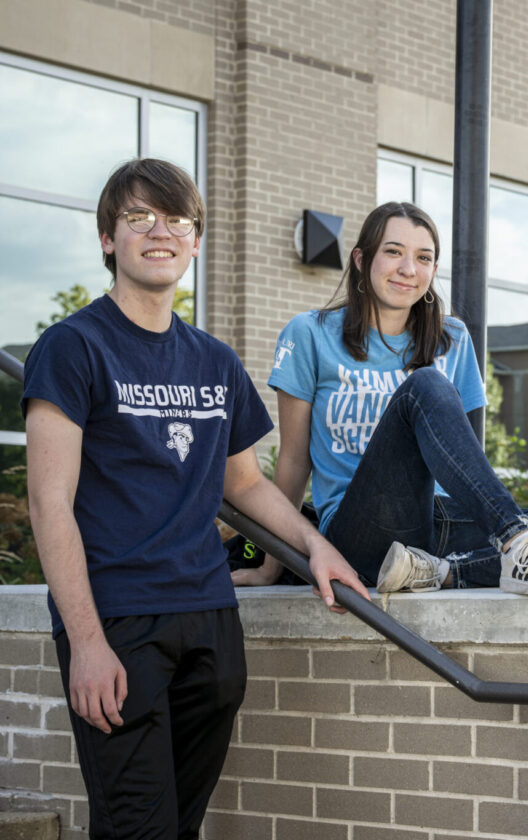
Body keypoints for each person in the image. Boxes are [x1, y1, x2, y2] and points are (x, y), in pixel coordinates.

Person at [22, 158, 371, 839]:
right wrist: (87, 643)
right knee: (137, 829)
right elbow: (49, 503)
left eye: (178, 219)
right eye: (138, 218)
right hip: (120, 623)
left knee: (178, 828)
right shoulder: (72, 348)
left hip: (210, 620)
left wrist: (314, 547)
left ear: (197, 241)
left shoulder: (213, 360)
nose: (161, 232)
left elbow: (244, 486)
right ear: (107, 240)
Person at [233, 201, 528, 595]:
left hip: (444, 522)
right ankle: (519, 544)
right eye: (393, 252)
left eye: (424, 258)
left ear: (433, 269)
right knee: (424, 385)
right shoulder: (310, 334)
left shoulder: (454, 339)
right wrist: (274, 563)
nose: (409, 269)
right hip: (362, 533)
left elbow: (464, 459)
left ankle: (445, 572)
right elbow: (294, 458)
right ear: (361, 259)